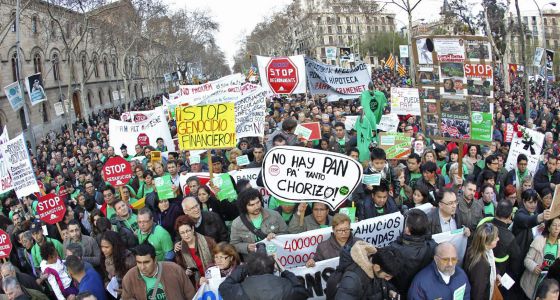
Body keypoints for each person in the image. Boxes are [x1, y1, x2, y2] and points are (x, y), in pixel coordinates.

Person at [218, 252, 307, 300]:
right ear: (273, 269)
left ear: (248, 270)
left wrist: (244, 267)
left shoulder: (239, 291)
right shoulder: (288, 287)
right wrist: (282, 269)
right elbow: (302, 290)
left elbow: (224, 287)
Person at [388, 209, 436, 297]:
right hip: (422, 292)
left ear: (407, 230)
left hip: (402, 292)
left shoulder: (395, 249)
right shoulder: (432, 245)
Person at [121, 243, 195, 299]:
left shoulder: (174, 269)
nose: (142, 267)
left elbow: (190, 294)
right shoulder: (129, 278)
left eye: (146, 262)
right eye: (139, 262)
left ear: (155, 260)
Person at [230, 188, 288, 259]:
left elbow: (286, 234)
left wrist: (276, 236)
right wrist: (247, 247)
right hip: (254, 262)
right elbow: (234, 244)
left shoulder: (275, 215)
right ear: (244, 206)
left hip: (276, 257)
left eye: (258, 202)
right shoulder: (237, 223)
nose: (257, 207)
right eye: (251, 205)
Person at [335, 241, 401, 299]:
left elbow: (382, 284)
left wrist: (389, 291)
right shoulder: (352, 280)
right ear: (376, 267)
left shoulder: (381, 266)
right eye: (386, 276)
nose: (387, 279)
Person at [521, 217, 560, 298]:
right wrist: (534, 267)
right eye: (554, 225)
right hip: (533, 281)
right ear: (548, 228)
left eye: (559, 226)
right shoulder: (539, 240)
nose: (557, 228)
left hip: (549, 285)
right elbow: (527, 260)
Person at [173, 215, 216, 287]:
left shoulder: (208, 242)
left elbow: (218, 260)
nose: (186, 235)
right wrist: (185, 272)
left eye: (188, 231)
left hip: (213, 279)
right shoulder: (179, 249)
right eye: (182, 233)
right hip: (196, 285)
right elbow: (180, 267)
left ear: (192, 229)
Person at [464, 223, 500, 299]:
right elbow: (478, 292)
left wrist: (496, 274)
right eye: (495, 238)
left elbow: (491, 265)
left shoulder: (475, 249)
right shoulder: (481, 265)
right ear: (486, 242)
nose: (498, 239)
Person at [513, 189, 551, 257]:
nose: (533, 205)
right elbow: (527, 220)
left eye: (535, 202)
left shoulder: (534, 212)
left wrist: (542, 225)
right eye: (530, 202)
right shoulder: (519, 214)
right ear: (524, 202)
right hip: (519, 254)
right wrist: (541, 217)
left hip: (531, 253)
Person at [99, 231, 135, 296]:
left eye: (107, 247)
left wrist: (125, 291)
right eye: (102, 247)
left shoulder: (128, 259)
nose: (103, 250)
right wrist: (107, 284)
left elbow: (135, 280)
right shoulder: (104, 257)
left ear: (115, 246)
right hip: (114, 292)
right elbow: (106, 275)